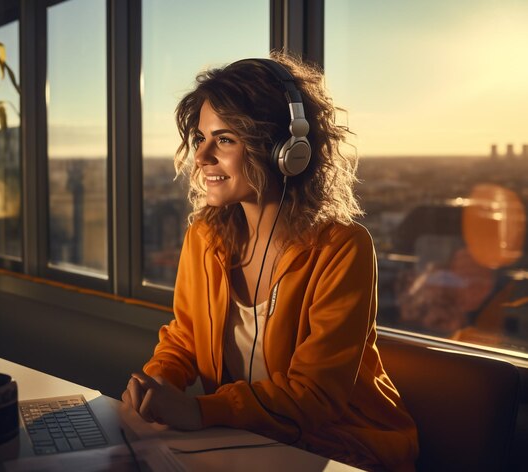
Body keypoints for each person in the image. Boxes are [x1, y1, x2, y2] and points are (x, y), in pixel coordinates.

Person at [122, 52, 419, 471]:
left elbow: (315, 395)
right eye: (200, 138)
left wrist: (202, 412)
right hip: (242, 439)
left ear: (286, 150)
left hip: (342, 448)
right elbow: (184, 339)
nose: (202, 156)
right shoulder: (204, 239)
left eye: (224, 139)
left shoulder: (343, 249)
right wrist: (157, 384)